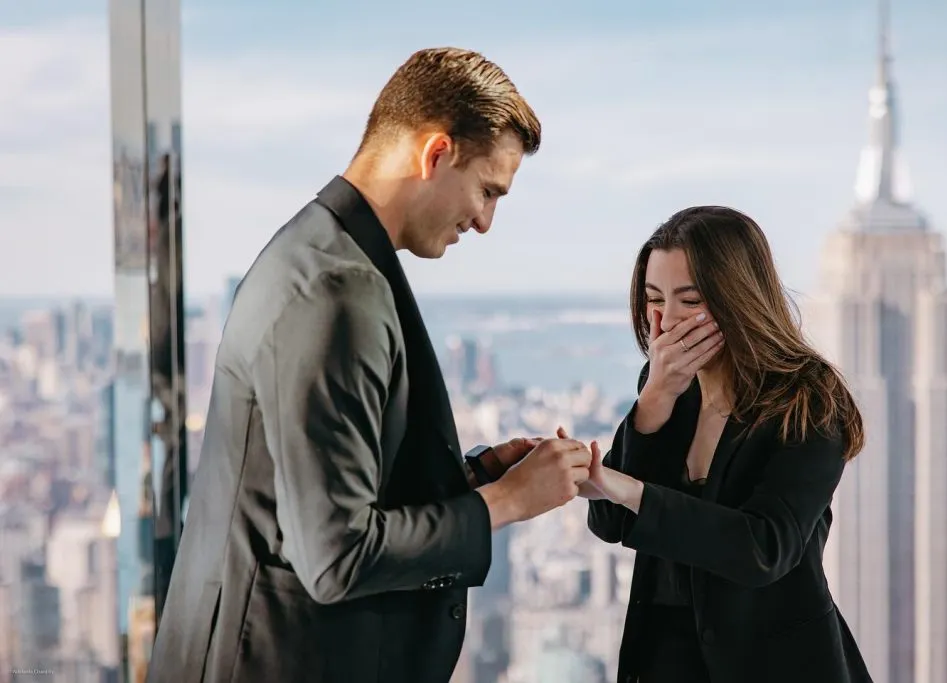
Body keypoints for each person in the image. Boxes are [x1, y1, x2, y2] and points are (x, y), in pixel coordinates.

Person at [147, 47, 594, 683]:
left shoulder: (320, 252)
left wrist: (469, 479)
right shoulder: (335, 290)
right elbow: (337, 555)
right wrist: (506, 501)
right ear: (436, 154)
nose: (486, 222)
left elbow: (313, 493)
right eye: (488, 190)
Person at [582, 206, 874, 683]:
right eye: (654, 299)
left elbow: (764, 548)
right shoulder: (666, 388)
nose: (667, 321)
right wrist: (653, 401)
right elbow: (608, 521)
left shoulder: (808, 399)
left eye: (690, 300)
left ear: (737, 296)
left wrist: (633, 492)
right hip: (665, 662)